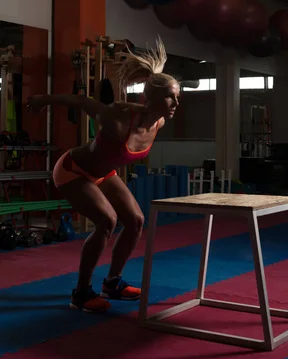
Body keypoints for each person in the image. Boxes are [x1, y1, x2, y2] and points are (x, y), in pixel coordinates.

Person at [27, 38, 180, 313]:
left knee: (135, 220)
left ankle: (112, 283)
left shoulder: (159, 122)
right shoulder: (117, 118)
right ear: (152, 98)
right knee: (106, 221)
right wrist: (43, 100)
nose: (176, 103)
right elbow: (80, 101)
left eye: (178, 96)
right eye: (171, 96)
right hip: (73, 170)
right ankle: (81, 293)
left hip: (102, 173)